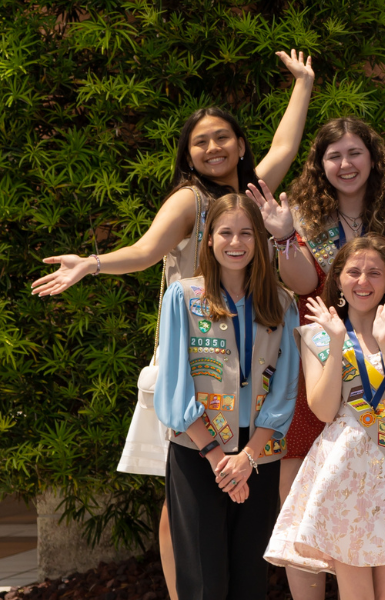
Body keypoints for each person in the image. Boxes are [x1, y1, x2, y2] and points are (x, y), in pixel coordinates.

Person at [32, 49, 314, 600]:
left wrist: (302, 84)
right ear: (187, 153)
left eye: (222, 137)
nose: (213, 147)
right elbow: (143, 251)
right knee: (183, 502)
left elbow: (285, 146)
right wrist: (90, 264)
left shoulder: (253, 195)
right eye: (200, 141)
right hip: (195, 365)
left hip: (251, 365)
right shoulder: (191, 200)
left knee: (225, 505)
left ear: (238, 142)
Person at [250, 115, 385, 598]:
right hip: (316, 356)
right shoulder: (300, 215)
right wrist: (282, 238)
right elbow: (302, 284)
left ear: (372, 159)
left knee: (371, 480)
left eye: (355, 153)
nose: (345, 164)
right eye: (334, 155)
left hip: (377, 361)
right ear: (319, 164)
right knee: (303, 478)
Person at [266, 237, 385, 600]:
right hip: (342, 469)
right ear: (338, 280)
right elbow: (322, 409)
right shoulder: (317, 335)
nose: (363, 281)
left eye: (374, 273)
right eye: (354, 272)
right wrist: (336, 345)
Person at [153, 194, 302, 599]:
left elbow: (285, 390)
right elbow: (173, 386)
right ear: (208, 239)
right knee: (204, 580)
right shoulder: (183, 297)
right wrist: (220, 461)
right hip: (198, 453)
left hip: (258, 455)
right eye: (225, 232)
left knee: (250, 578)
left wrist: (247, 458)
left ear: (260, 240)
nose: (235, 243)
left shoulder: (282, 303)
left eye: (246, 233)